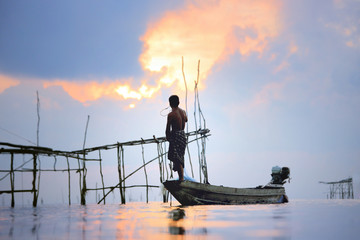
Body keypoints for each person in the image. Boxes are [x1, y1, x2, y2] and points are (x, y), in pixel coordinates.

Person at [166, 95, 188, 181]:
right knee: (179, 156)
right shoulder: (183, 112)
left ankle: (181, 178)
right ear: (178, 103)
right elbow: (186, 120)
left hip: (176, 135)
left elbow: (168, 128)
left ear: (170, 104)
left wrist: (168, 136)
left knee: (176, 157)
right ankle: (181, 177)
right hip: (182, 135)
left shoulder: (171, 114)